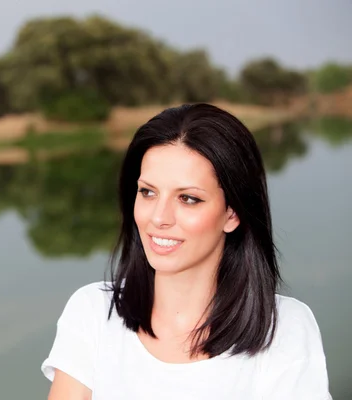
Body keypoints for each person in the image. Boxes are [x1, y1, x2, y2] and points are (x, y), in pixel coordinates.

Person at [40, 103, 331, 399]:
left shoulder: (284, 329)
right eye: (148, 192)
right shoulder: (93, 312)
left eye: (188, 198)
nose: (159, 218)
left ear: (232, 213)